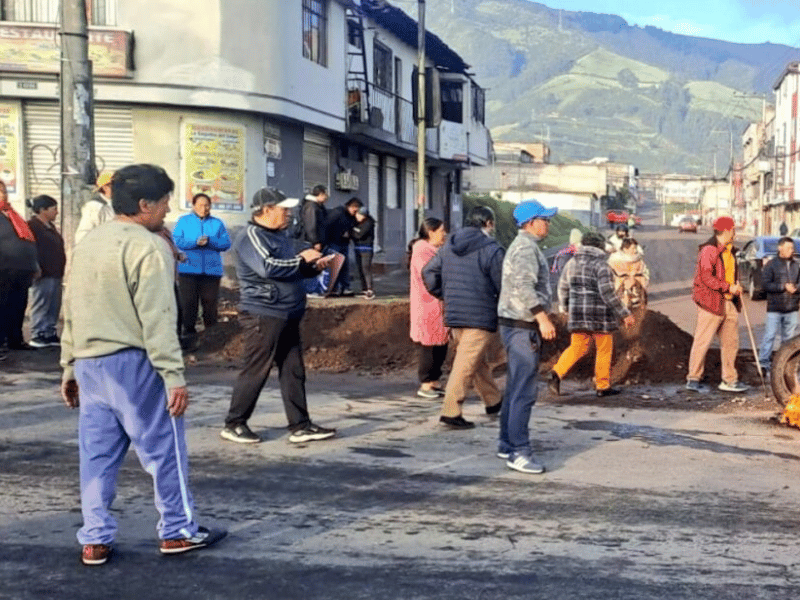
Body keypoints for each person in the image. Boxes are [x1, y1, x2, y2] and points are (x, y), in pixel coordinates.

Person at [60, 164, 226, 567]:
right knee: (164, 451)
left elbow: (71, 310)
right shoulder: (148, 246)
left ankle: (95, 539)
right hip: (134, 365)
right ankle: (177, 530)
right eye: (165, 202)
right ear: (143, 204)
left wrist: (67, 366)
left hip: (88, 364)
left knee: (96, 458)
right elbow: (157, 317)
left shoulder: (88, 244)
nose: (168, 211)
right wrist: (174, 375)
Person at [221, 187, 337, 444]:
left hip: (288, 311)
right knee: (256, 369)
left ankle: (300, 425)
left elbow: (291, 270)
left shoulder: (281, 237)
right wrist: (301, 260)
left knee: (293, 369)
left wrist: (311, 267)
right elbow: (268, 267)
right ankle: (235, 423)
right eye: (283, 209)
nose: (288, 214)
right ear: (266, 210)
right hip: (264, 313)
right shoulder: (250, 236)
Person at [422, 205, 505, 429]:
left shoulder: (449, 245)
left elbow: (428, 272)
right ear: (488, 223)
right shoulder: (492, 249)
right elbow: (502, 285)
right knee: (464, 366)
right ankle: (451, 412)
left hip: (455, 314)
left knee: (472, 361)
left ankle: (494, 401)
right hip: (481, 315)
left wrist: (443, 294)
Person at [497, 200, 558, 474]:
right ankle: (519, 452)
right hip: (523, 325)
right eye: (544, 219)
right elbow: (524, 285)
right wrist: (542, 318)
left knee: (515, 387)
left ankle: (507, 443)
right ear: (531, 223)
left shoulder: (525, 246)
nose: (548, 223)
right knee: (523, 391)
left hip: (516, 324)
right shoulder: (525, 249)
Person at [549, 231, 635, 397]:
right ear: (600, 246)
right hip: (599, 316)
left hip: (577, 314)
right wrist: (624, 313)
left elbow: (563, 288)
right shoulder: (602, 266)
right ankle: (602, 386)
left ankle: (556, 373)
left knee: (578, 347)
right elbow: (608, 294)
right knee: (603, 349)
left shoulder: (572, 263)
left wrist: (565, 307)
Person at [685, 216, 748, 393]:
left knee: (731, 343)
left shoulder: (730, 251)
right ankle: (693, 378)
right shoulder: (709, 251)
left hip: (729, 302)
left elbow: (730, 273)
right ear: (727, 231)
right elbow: (706, 278)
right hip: (711, 302)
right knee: (702, 341)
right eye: (734, 230)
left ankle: (729, 380)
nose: (735, 233)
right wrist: (729, 286)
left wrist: (735, 287)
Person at [172, 193, 232, 348]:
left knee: (210, 304)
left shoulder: (217, 223)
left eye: (207, 205)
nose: (204, 208)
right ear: (193, 206)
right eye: (200, 205)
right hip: (189, 269)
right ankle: (189, 337)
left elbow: (226, 243)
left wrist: (211, 241)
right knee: (188, 304)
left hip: (211, 271)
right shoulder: (184, 221)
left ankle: (212, 337)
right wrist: (195, 242)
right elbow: (177, 240)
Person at [409, 218, 449, 399]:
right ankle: (425, 383)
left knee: (440, 345)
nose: (445, 234)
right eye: (442, 231)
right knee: (430, 346)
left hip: (437, 304)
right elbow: (430, 277)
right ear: (431, 232)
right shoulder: (422, 251)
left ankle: (434, 382)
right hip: (428, 305)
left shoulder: (433, 251)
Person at [0, 180, 38, 355]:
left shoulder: (13, 214)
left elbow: (28, 241)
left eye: (4, 191)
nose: (3, 194)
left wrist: (34, 264)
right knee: (2, 305)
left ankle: (15, 339)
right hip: (3, 268)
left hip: (21, 269)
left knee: (18, 305)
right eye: (0, 192)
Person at [26, 195, 66, 348]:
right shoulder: (32, 226)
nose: (56, 212)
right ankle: (38, 333)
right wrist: (35, 267)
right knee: (41, 302)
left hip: (55, 272)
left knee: (53, 304)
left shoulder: (50, 226)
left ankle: (49, 332)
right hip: (43, 272)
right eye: (54, 209)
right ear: (43, 210)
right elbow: (30, 249)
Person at [758, 236, 800, 372]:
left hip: (792, 308)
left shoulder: (796, 265)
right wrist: (783, 286)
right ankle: (764, 363)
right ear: (780, 248)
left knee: (788, 340)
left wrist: (796, 288)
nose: (791, 250)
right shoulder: (771, 265)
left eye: (792, 248)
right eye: (788, 248)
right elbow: (765, 285)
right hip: (775, 308)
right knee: (769, 336)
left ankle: (785, 363)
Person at [324, 197, 362, 296]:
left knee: (344, 266)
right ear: (350, 206)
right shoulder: (338, 213)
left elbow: (354, 227)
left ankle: (345, 287)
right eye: (355, 209)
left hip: (344, 243)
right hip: (334, 242)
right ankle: (333, 288)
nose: (356, 212)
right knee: (335, 265)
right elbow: (327, 225)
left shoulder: (351, 217)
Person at [74, 171, 115, 245]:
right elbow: (83, 234)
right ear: (105, 187)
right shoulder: (94, 207)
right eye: (115, 185)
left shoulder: (117, 204)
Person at [608, 238, 650, 310]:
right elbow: (610, 274)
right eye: (633, 248)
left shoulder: (639, 260)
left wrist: (641, 279)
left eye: (635, 248)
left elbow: (645, 272)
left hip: (637, 286)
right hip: (621, 285)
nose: (635, 250)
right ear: (625, 249)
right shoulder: (614, 260)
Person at [352, 206, 376, 299]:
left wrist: (352, 231)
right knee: (361, 269)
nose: (357, 217)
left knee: (366, 269)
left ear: (364, 216)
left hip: (366, 249)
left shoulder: (368, 223)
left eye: (359, 215)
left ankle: (370, 289)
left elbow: (359, 234)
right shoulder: (357, 223)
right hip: (358, 248)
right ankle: (364, 289)